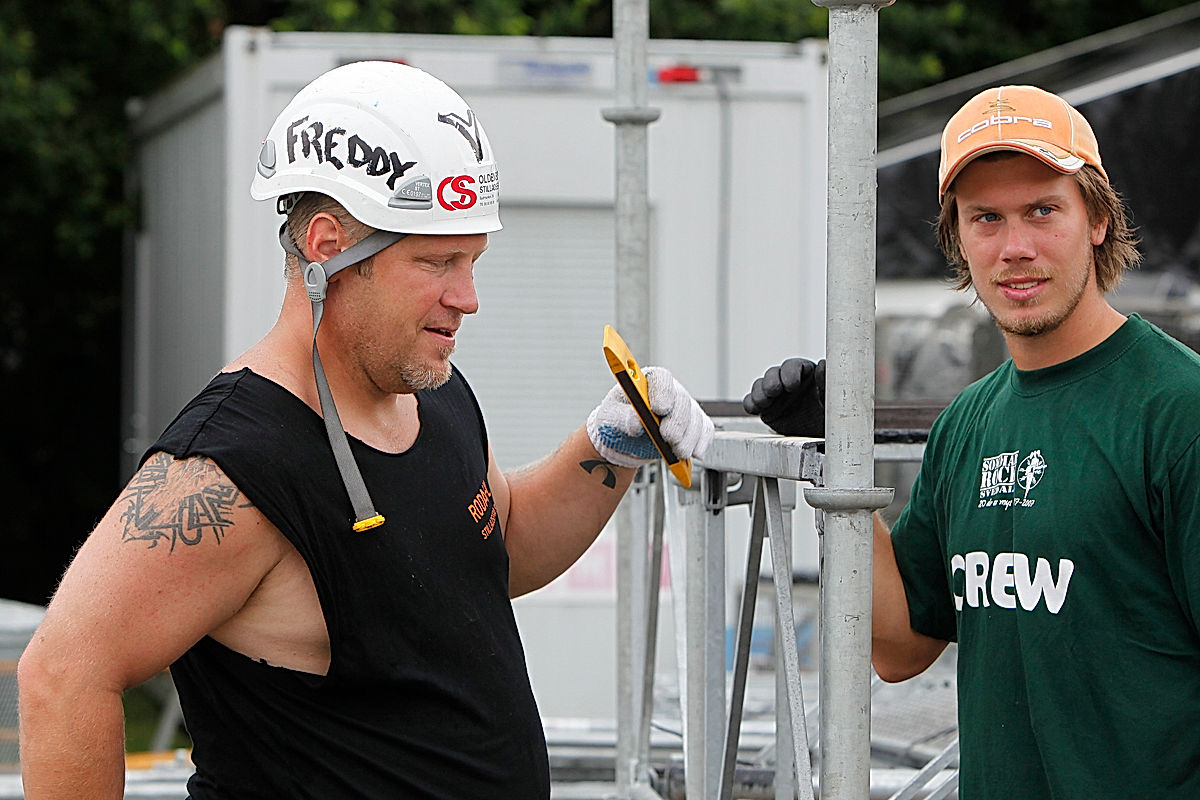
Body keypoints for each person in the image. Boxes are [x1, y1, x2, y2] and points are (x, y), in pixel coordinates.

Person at [17, 61, 713, 800]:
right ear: (326, 247)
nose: (467, 297)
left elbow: (496, 545)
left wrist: (603, 451)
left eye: (473, 260)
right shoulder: (231, 469)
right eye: (437, 261)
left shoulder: (427, 388)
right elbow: (62, 675)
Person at [745, 85, 1200, 797]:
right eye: (985, 218)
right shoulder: (971, 422)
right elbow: (900, 646)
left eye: (1042, 211)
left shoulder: (1176, 408)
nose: (1015, 248)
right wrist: (836, 461)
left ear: (1100, 220)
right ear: (957, 238)